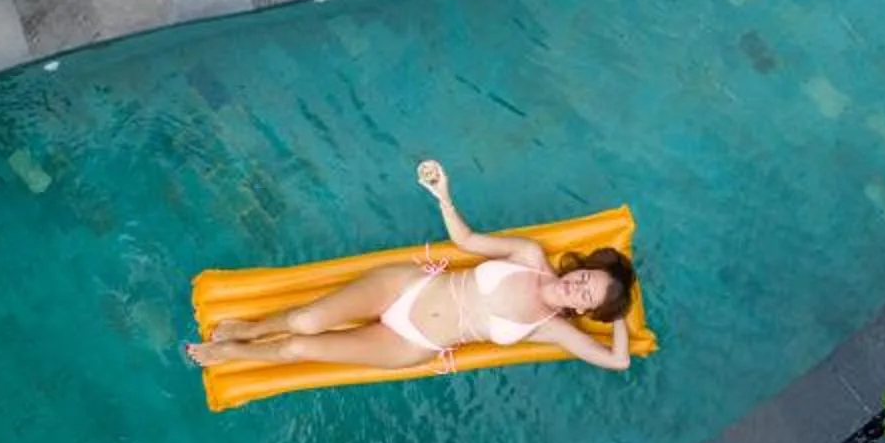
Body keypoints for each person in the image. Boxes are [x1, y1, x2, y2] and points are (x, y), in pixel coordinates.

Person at [183, 160, 638, 373]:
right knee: (305, 321)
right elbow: (467, 240)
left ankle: (231, 354)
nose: (577, 286)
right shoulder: (530, 256)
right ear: (577, 268)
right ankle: (250, 329)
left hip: (411, 343)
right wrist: (445, 197)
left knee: (300, 350)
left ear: (585, 310)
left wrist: (619, 314)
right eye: (584, 278)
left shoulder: (550, 329)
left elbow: (618, 361)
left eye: (587, 295)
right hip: (405, 290)